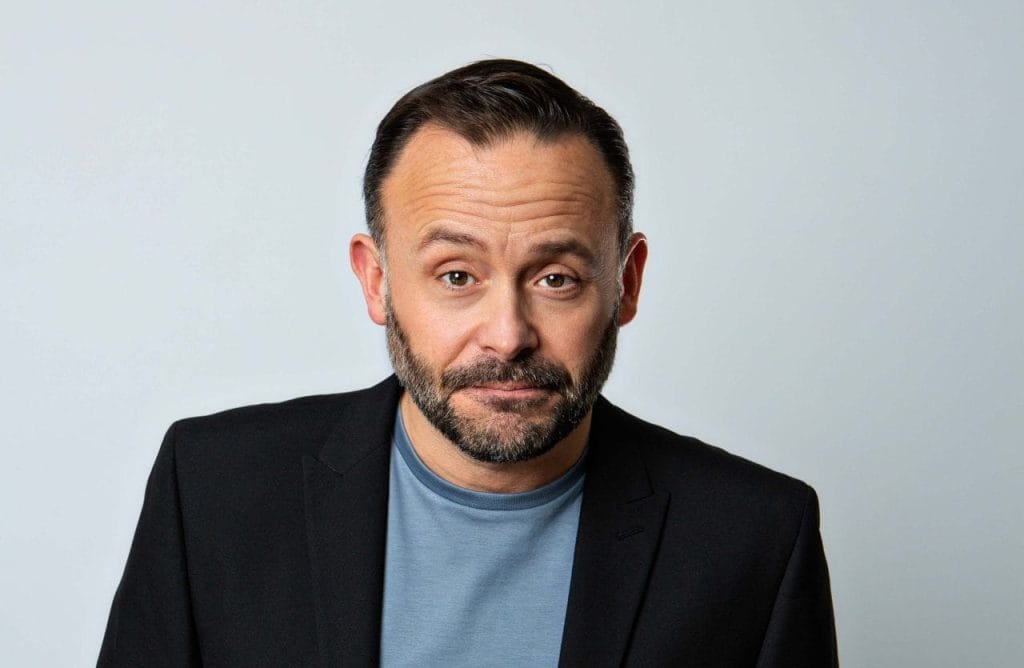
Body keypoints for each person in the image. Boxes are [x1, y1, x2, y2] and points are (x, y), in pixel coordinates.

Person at [99, 59, 837, 667]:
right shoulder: (211, 490)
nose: (508, 336)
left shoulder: (757, 539)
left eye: (556, 278)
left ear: (627, 283)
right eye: (457, 275)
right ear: (377, 281)